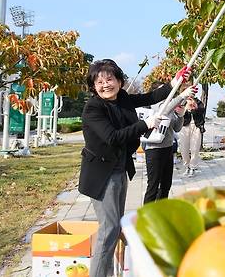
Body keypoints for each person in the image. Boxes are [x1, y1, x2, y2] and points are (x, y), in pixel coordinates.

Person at [80, 59, 190, 277]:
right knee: (108, 229)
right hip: (102, 175)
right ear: (93, 86)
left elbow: (150, 97)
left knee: (115, 227)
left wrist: (174, 82)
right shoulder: (93, 108)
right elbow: (112, 137)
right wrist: (146, 124)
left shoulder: (122, 99)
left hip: (119, 170)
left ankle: (111, 273)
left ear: (119, 81)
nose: (105, 85)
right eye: (99, 82)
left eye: (110, 79)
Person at [140, 82, 196, 203]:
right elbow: (164, 110)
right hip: (154, 150)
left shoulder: (170, 107)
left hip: (168, 148)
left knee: (166, 185)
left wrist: (180, 115)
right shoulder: (156, 107)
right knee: (153, 186)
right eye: (162, 91)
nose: (165, 94)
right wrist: (182, 96)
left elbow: (176, 128)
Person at [179, 96, 206, 177]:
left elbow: (201, 110)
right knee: (184, 148)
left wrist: (195, 107)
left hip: (196, 126)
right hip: (184, 127)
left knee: (195, 148)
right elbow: (178, 113)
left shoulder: (198, 102)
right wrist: (186, 109)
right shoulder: (182, 101)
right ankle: (186, 166)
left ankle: (192, 167)